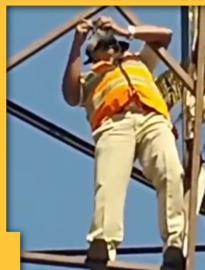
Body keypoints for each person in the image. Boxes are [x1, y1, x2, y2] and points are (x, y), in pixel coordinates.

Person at [62, 16, 186, 270]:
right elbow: (70, 94)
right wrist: (76, 43)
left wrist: (124, 29)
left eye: (112, 43)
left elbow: (165, 34)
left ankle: (175, 243)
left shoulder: (138, 62)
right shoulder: (90, 78)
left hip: (152, 119)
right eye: (99, 46)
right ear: (93, 56)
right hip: (114, 124)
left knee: (171, 172)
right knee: (109, 182)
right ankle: (103, 243)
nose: (108, 47)